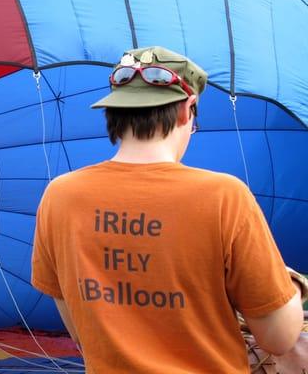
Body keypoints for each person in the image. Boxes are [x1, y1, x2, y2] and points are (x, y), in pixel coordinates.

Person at [31, 46, 304, 373]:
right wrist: (288, 285)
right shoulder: (224, 196)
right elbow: (278, 337)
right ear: (187, 111)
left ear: (114, 112)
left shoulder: (60, 196)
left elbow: (80, 330)